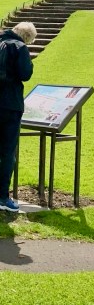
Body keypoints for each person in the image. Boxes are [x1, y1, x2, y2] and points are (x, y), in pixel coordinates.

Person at [0, 21, 36, 214]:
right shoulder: (20, 48)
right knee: (7, 152)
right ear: (27, 37)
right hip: (9, 105)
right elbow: (25, 74)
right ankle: (3, 197)